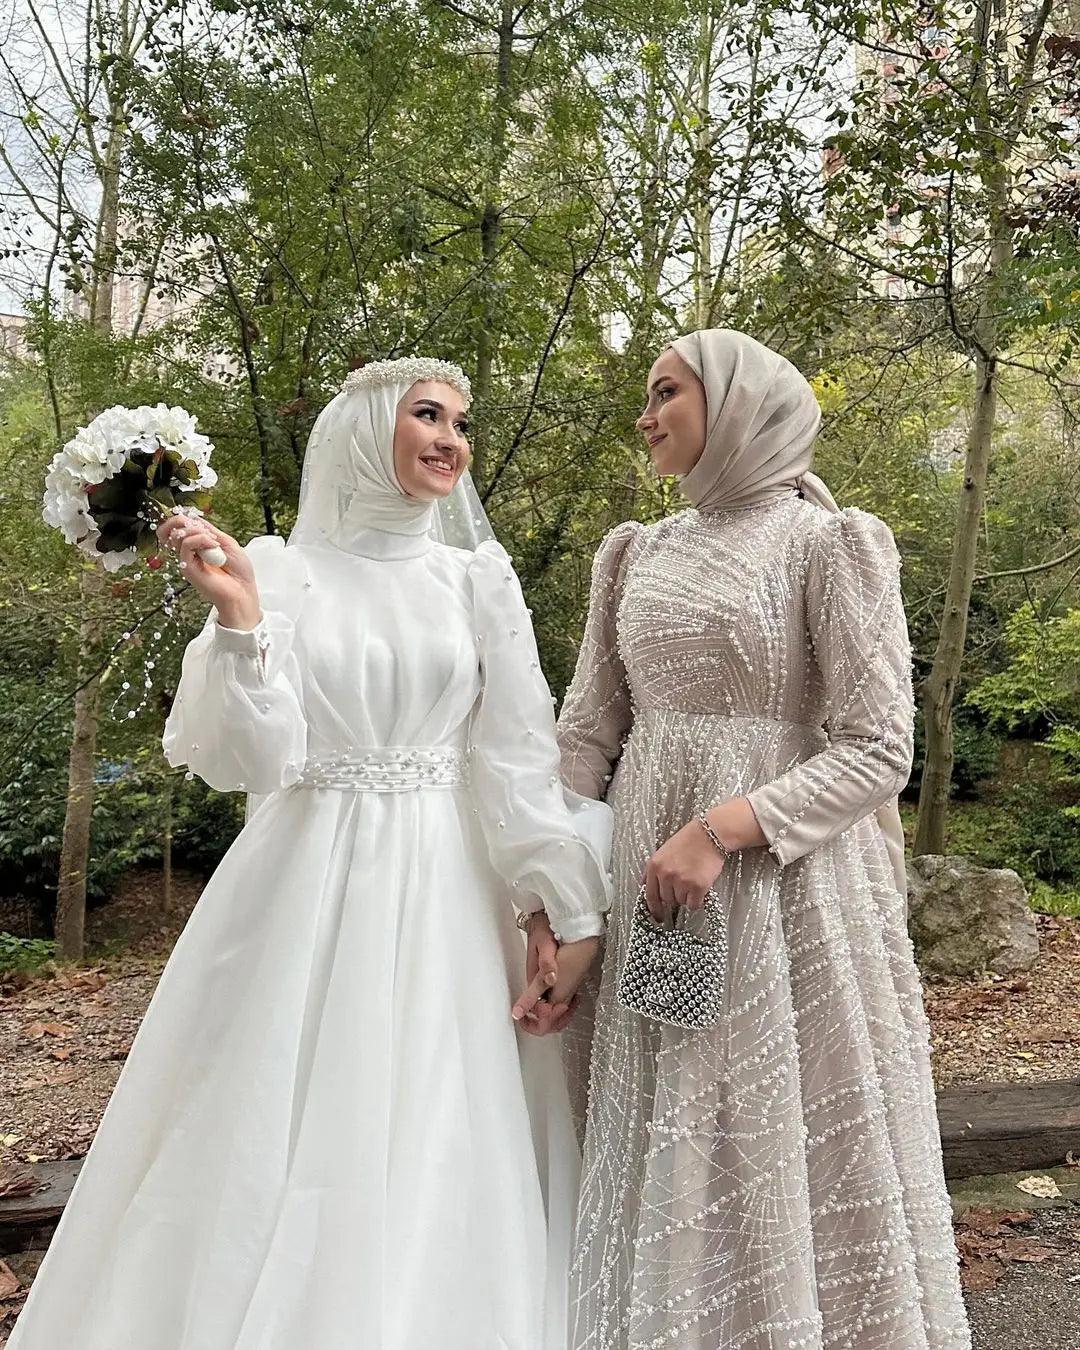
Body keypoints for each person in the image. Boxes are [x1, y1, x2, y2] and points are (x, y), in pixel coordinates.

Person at [9, 357, 610, 1350]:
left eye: (461, 420)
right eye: (427, 414)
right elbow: (245, 757)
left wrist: (559, 907)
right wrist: (242, 622)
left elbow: (513, 758)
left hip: (447, 896)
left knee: (437, 1127)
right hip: (302, 883)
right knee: (262, 1133)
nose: (452, 438)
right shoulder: (280, 570)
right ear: (365, 428)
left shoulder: (476, 580)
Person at [538, 330, 970, 1349]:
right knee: (663, 1115)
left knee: (777, 1119)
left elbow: (878, 750)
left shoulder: (830, 543)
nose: (645, 414)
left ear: (735, 403)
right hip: (647, 880)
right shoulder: (633, 552)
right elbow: (586, 735)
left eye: (666, 392)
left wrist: (723, 829)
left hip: (790, 885)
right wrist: (550, 898)